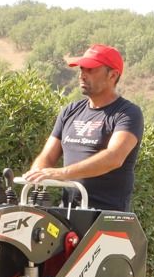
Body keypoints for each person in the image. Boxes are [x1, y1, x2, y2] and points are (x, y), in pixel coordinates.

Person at [21, 44, 143, 211]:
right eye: (81, 69)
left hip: (106, 217)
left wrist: (62, 173)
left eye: (90, 70)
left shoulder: (128, 113)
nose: (82, 75)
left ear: (113, 75)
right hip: (67, 213)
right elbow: (47, 156)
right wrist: (37, 173)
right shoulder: (69, 111)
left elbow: (114, 157)